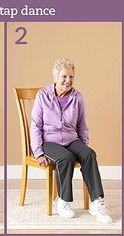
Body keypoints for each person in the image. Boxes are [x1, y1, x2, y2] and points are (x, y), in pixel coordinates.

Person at [31, 58, 112, 224]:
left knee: (89, 154)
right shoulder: (43, 95)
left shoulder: (78, 98)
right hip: (49, 141)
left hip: (71, 139)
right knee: (65, 157)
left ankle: (97, 203)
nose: (68, 80)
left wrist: (83, 147)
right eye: (64, 76)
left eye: (71, 77)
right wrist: (38, 152)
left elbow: (82, 125)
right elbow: (36, 125)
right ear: (55, 76)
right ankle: (62, 201)